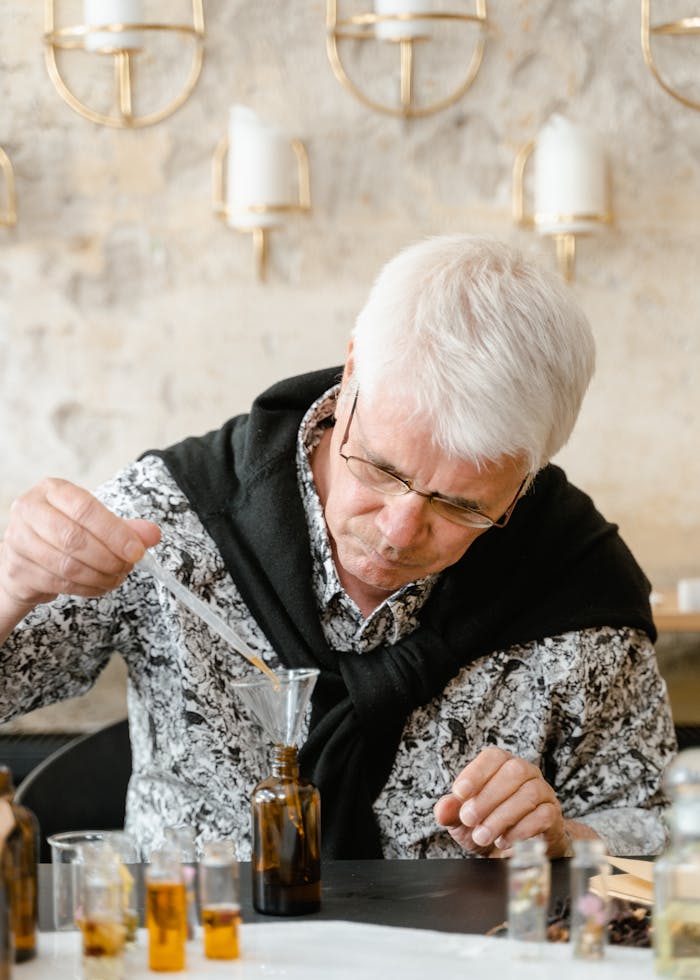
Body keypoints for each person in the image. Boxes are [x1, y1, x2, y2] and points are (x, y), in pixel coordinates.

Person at [0, 235, 676, 861]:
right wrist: (10, 583)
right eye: (379, 469)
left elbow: (654, 822)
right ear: (352, 372)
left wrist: (563, 837)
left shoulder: (580, 585)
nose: (399, 532)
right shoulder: (176, 517)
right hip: (197, 962)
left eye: (461, 506)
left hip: (478, 975)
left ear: (528, 475)